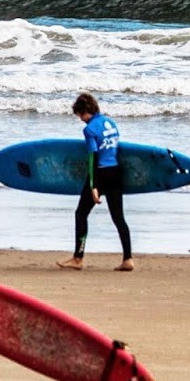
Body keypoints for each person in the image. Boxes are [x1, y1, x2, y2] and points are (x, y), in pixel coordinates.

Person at [58, 92, 135, 272]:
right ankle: (128, 259)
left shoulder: (89, 129)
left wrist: (94, 186)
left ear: (85, 111)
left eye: (80, 115)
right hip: (116, 172)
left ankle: (78, 258)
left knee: (81, 214)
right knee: (118, 218)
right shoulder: (111, 123)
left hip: (100, 174)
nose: (80, 119)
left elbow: (93, 157)